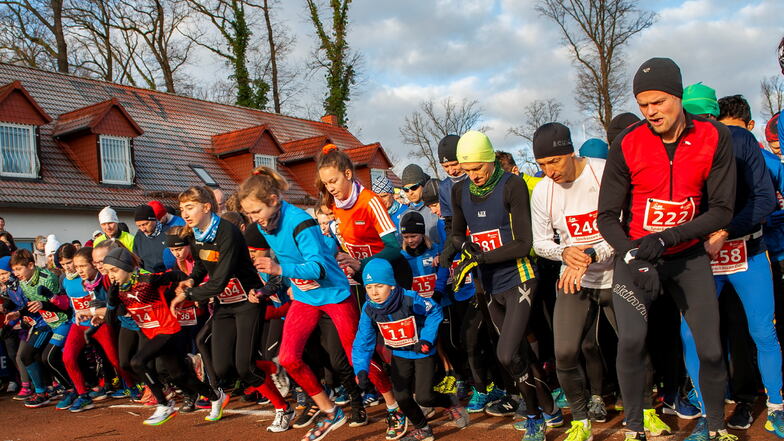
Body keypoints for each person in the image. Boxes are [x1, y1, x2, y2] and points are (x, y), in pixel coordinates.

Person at [597, 57, 735, 441]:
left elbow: (723, 209)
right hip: (636, 258)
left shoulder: (714, 137)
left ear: (678, 95)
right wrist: (632, 254)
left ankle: (717, 428)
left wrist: (666, 238)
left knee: (709, 349)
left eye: (658, 102)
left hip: (688, 257)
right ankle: (633, 428)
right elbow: (607, 216)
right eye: (643, 104)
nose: (650, 112)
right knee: (632, 340)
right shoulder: (628, 143)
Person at [238, 167, 404, 441]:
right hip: (305, 297)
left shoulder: (301, 222)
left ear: (273, 200)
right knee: (289, 358)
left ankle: (393, 405)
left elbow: (317, 269)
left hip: (334, 293)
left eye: (255, 212)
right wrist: (274, 285)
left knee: (355, 356)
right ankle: (330, 412)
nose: (253, 219)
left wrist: (279, 269)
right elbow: (285, 260)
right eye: (248, 214)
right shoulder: (264, 225)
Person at [679, 89, 784, 437]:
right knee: (692, 334)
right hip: (700, 257)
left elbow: (766, 199)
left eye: (704, 118)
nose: (698, 126)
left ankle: (777, 408)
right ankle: (710, 414)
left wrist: (726, 229)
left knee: (761, 330)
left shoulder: (740, 140)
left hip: (746, 251)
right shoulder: (675, 146)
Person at [450, 130, 559, 441]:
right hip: (489, 286)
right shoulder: (460, 192)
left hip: (520, 278)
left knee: (506, 353)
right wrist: (461, 250)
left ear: (491, 160)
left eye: (478, 168)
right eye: (467, 170)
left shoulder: (511, 185)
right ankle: (550, 409)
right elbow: (457, 233)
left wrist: (481, 257)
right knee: (520, 353)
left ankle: (534, 416)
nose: (473, 176)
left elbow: (525, 243)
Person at [530, 122, 620, 441]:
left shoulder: (603, 171)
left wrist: (591, 254)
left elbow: (623, 226)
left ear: (570, 152)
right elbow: (540, 242)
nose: (549, 171)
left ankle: (645, 412)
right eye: (541, 165)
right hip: (573, 277)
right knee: (565, 351)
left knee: (633, 344)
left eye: (554, 162)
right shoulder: (542, 191)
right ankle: (580, 420)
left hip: (614, 272)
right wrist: (566, 252)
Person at [169, 186, 287, 427]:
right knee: (223, 370)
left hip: (247, 302)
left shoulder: (227, 233)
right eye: (182, 209)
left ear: (206, 207)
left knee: (245, 368)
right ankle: (273, 367)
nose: (185, 214)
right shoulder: (195, 234)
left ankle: (284, 409)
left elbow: (220, 280)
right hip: (224, 305)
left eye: (189, 208)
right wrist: (192, 278)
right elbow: (203, 266)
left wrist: (189, 294)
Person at [103, 247, 227, 426]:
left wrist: (185, 289)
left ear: (127, 268)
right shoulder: (118, 290)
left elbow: (175, 274)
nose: (111, 275)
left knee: (137, 362)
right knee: (179, 376)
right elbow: (110, 321)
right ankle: (216, 396)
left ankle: (164, 403)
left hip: (168, 330)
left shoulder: (148, 280)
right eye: (107, 272)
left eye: (114, 270)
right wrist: (112, 302)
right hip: (151, 334)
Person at [353, 258, 469, 441]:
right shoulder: (369, 309)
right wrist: (361, 369)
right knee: (402, 397)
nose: (374, 293)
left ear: (391, 285)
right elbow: (362, 339)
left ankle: (450, 402)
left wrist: (426, 339)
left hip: (422, 352)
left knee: (424, 397)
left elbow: (434, 311)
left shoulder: (409, 298)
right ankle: (423, 429)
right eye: (369, 287)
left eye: (379, 286)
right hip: (399, 354)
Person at [57, 245, 134, 412]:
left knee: (115, 359)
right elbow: (67, 301)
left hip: (101, 323)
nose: (79, 270)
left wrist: (96, 311)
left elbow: (113, 305)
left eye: (83, 266)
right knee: (68, 357)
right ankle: (83, 395)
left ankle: (132, 386)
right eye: (76, 267)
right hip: (79, 324)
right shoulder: (68, 280)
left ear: (93, 264)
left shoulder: (105, 278)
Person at [9, 248, 72, 408]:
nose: (16, 273)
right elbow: (32, 305)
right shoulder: (23, 282)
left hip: (61, 322)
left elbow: (64, 306)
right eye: (14, 270)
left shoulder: (48, 277)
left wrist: (44, 305)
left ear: (30, 265)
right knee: (25, 355)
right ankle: (41, 391)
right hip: (45, 322)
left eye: (18, 269)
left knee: (49, 357)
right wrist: (19, 313)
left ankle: (71, 389)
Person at [132, 204, 172, 273]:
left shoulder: (169, 233)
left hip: (169, 277)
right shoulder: (138, 237)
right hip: (148, 278)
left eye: (145, 224)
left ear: (154, 219)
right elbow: (137, 261)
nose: (142, 229)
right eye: (139, 226)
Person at [372, 174, 408, 241]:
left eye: (384, 196)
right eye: (378, 197)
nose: (381, 200)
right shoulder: (375, 215)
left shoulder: (406, 211)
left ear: (392, 195)